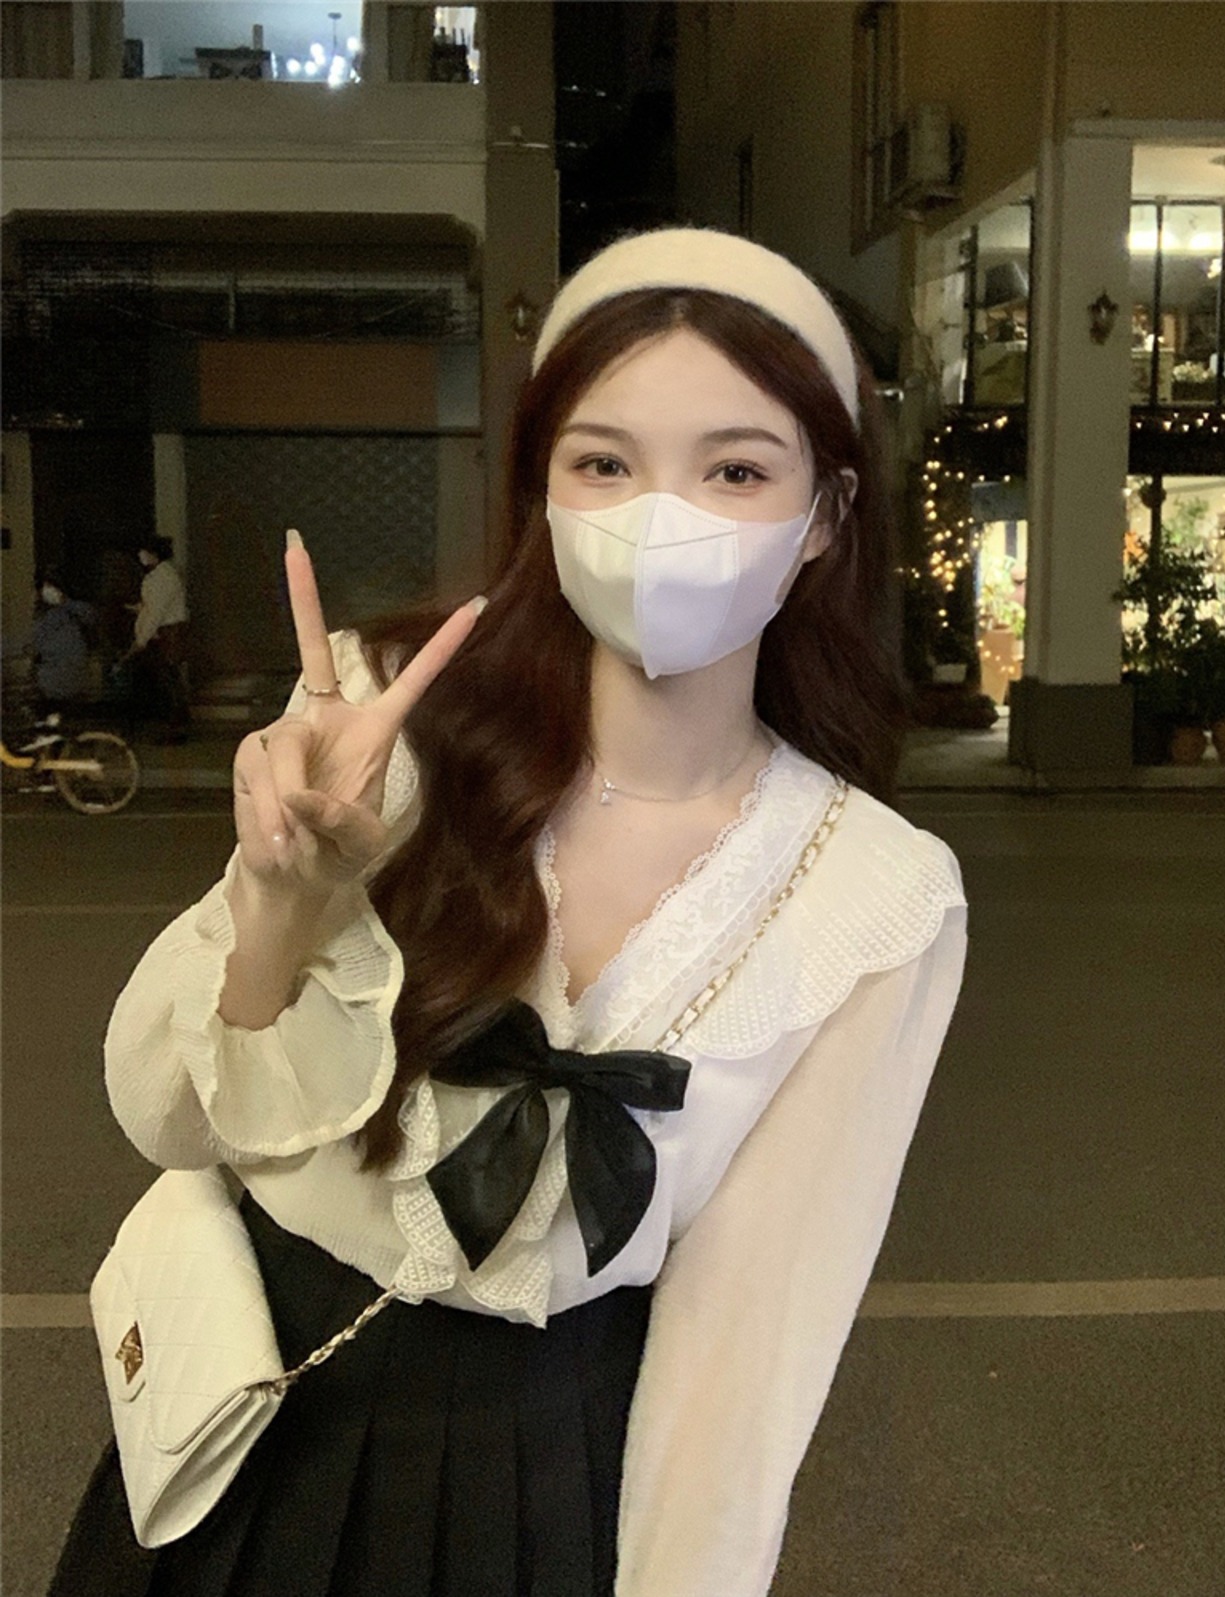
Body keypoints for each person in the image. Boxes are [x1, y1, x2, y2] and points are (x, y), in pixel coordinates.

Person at [50, 228, 967, 1597]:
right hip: (252, 1422)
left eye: (734, 470)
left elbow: (749, 1351)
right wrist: (282, 902)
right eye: (604, 463)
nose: (661, 519)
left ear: (826, 512)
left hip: (544, 1484)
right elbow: (168, 1118)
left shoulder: (877, 891)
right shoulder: (381, 716)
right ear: (540, 487)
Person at [123, 535, 190, 741]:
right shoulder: (163, 575)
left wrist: (141, 640)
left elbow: (155, 612)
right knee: (168, 681)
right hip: (165, 633)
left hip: (166, 634)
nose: (141, 556)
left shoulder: (162, 578)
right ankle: (173, 726)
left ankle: (173, 728)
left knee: (167, 682)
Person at [28, 570, 98, 713]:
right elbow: (38, 647)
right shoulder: (42, 618)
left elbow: (91, 616)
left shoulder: (74, 610)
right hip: (50, 676)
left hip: (73, 674)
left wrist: (65, 602)